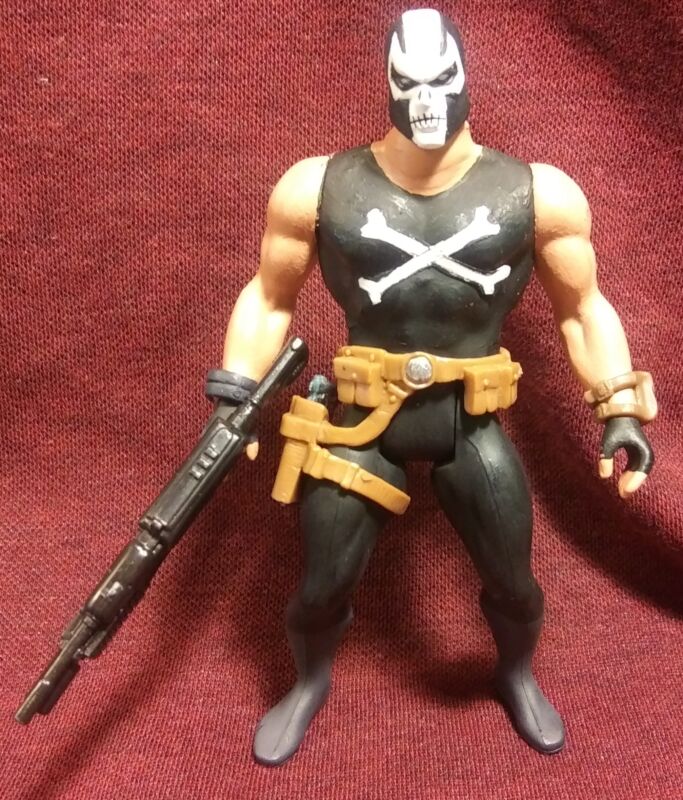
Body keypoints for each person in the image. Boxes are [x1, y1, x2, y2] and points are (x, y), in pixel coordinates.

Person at [208, 8, 656, 766]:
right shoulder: (316, 187)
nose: (426, 101)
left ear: (464, 78)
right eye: (409, 83)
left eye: (441, 80)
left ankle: (515, 672)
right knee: (320, 584)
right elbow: (270, 297)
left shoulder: (537, 193)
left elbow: (582, 309)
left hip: (468, 423)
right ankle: (308, 681)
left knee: (514, 582)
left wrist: (618, 407)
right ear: (386, 82)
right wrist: (235, 394)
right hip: (360, 420)